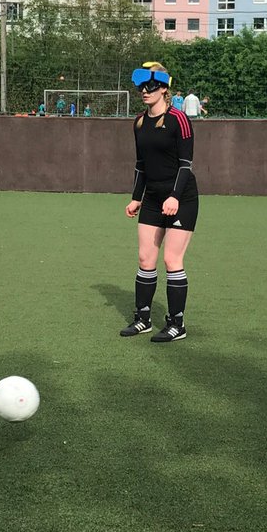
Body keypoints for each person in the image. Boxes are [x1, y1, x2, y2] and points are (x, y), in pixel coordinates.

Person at [121, 62, 198, 343]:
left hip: (181, 197)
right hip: (152, 198)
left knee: (171, 259)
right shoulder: (140, 122)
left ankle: (177, 324)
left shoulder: (179, 119)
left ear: (164, 89)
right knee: (145, 258)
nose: (144, 91)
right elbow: (141, 165)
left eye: (151, 86)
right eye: (142, 86)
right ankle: (143, 318)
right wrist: (135, 198)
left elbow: (185, 164)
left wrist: (175, 197)